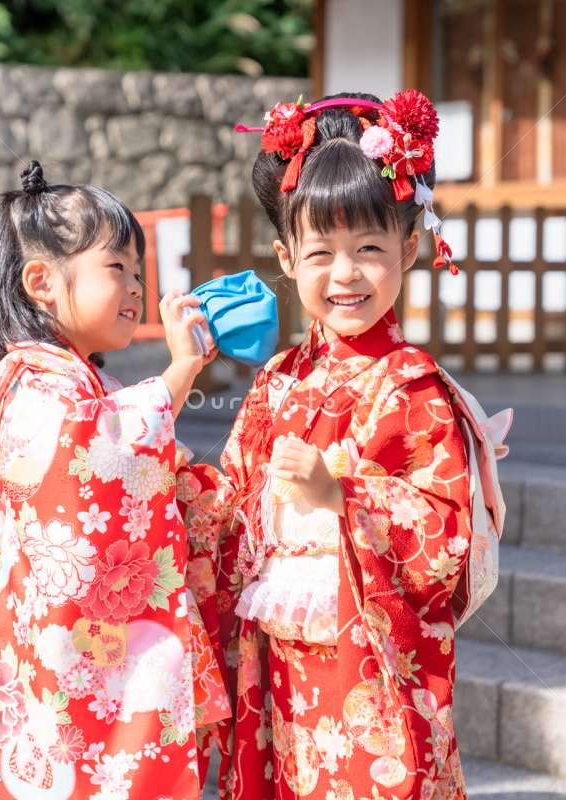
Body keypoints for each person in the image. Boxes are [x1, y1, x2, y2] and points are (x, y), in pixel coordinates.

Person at [180, 93, 510, 800]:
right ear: (286, 258)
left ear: (409, 249)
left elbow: (444, 529)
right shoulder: (276, 381)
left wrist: (343, 496)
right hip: (276, 659)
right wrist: (166, 480)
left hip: (367, 662)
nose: (346, 274)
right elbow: (231, 508)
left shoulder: (413, 386)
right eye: (321, 253)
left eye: (369, 248)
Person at [0, 161, 229, 800]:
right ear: (41, 281)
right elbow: (99, 462)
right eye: (116, 268)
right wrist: (183, 368)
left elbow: (136, 457)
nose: (135, 286)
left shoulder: (71, 381)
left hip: (55, 640)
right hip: (48, 649)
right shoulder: (35, 385)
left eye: (138, 271)